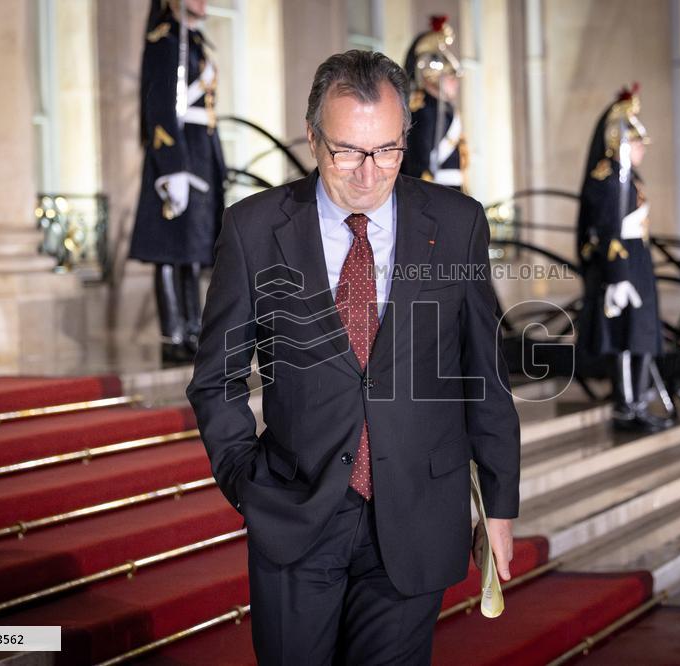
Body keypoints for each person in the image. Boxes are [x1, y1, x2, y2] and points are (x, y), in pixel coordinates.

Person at [186, 50, 520, 664]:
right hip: (296, 510)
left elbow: (484, 377)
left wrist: (498, 505)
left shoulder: (456, 223)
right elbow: (218, 379)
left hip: (419, 512)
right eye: (347, 151)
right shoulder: (253, 229)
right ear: (313, 138)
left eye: (387, 150)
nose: (369, 173)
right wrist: (246, 481)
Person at [130, 0, 226, 365]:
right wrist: (172, 166)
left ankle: (192, 330)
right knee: (170, 248)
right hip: (176, 155)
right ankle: (172, 334)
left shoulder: (195, 41)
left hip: (200, 154)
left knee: (193, 249)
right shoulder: (166, 41)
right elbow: (159, 108)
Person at [576, 84, 670, 432]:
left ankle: (639, 403)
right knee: (626, 339)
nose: (642, 148)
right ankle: (626, 408)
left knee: (641, 336)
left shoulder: (630, 177)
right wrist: (617, 277)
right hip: (621, 266)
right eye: (637, 142)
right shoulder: (607, 178)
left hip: (638, 262)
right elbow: (606, 230)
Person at [400, 15, 468, 191]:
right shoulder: (423, 110)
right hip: (434, 190)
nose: (455, 83)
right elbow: (418, 162)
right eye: (450, 77)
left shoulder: (444, 108)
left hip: (451, 189)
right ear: (433, 77)